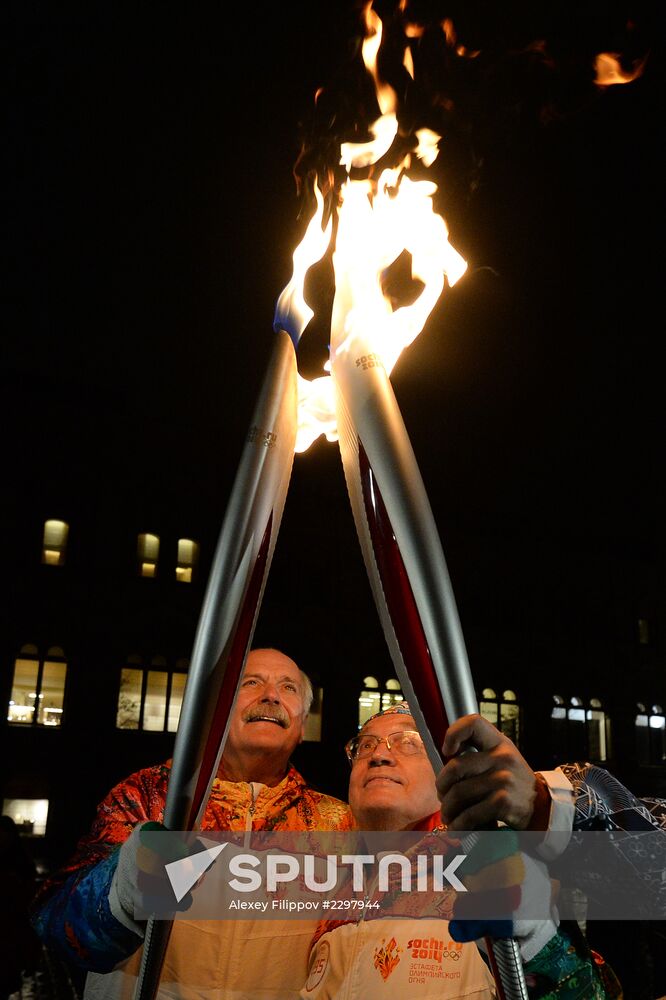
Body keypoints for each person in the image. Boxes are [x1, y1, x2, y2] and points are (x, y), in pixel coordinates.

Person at [32, 647, 353, 1000]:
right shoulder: (149, 796)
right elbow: (58, 928)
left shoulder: (337, 824)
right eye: (251, 682)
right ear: (215, 709)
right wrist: (125, 889)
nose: (271, 696)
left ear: (303, 724)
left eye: (288, 688)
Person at [300, 703, 621, 999]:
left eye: (408, 742)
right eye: (365, 745)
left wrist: (541, 947)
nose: (378, 756)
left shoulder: (493, 863)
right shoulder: (334, 888)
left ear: (449, 773)